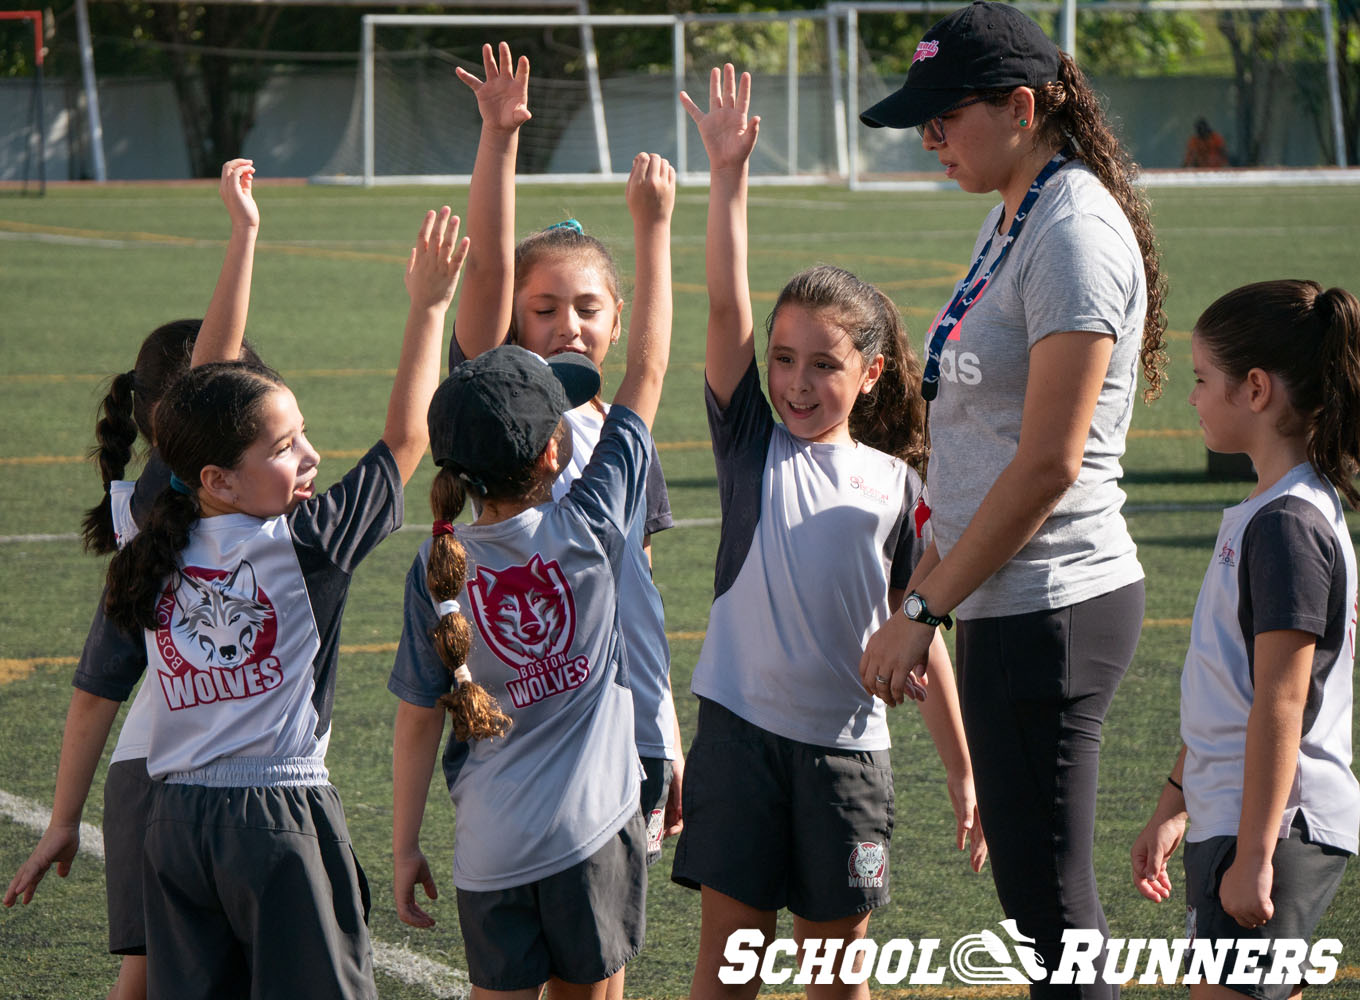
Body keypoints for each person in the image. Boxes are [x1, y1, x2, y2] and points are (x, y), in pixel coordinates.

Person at [857, 3, 1169, 996]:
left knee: (1052, 913)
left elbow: (1047, 462)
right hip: (1009, 597)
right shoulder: (1019, 210)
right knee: (1040, 908)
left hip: (1051, 604)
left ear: (1023, 106)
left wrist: (922, 608)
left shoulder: (1072, 229)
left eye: (946, 116)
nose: (930, 138)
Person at [90, 206, 466, 1000]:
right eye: (285, 446)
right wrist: (429, 307)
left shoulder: (154, 528)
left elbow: (197, 393)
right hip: (278, 817)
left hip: (174, 824)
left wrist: (243, 233)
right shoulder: (306, 543)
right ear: (217, 478)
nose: (311, 456)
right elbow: (406, 438)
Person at [673, 65, 985, 1000]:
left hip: (848, 760)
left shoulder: (901, 485)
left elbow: (920, 634)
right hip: (738, 739)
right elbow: (726, 304)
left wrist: (962, 776)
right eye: (782, 360)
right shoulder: (748, 446)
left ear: (876, 371)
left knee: (838, 979)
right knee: (727, 971)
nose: (797, 383)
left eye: (822, 364)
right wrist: (727, 175)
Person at [388, 195, 672, 997]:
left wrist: (407, 844)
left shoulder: (435, 563)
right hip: (591, 832)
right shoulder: (591, 524)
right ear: (558, 449)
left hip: (490, 850)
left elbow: (416, 725)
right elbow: (646, 369)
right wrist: (653, 230)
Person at [4, 158, 265, 1000]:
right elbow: (212, 372)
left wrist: (63, 817)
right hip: (191, 787)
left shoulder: (156, 515)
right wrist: (243, 236)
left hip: (156, 778)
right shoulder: (176, 494)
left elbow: (93, 689)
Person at [449, 41, 684, 865]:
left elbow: (639, 593)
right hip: (524, 721)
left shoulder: (625, 438)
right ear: (514, 323)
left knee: (599, 966)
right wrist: (501, 138)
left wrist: (666, 723)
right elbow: (484, 271)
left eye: (587, 308)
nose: (567, 325)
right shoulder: (498, 415)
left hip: (627, 727)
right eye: (543, 308)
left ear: (614, 319)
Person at [1131, 280, 1360, 1000]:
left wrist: (1256, 854)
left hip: (1270, 825)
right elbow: (1231, 689)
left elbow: (1282, 705)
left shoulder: (1288, 524)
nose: (1192, 397)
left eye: (1202, 379)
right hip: (1238, 816)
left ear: (1255, 389)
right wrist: (1176, 800)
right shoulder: (1270, 511)